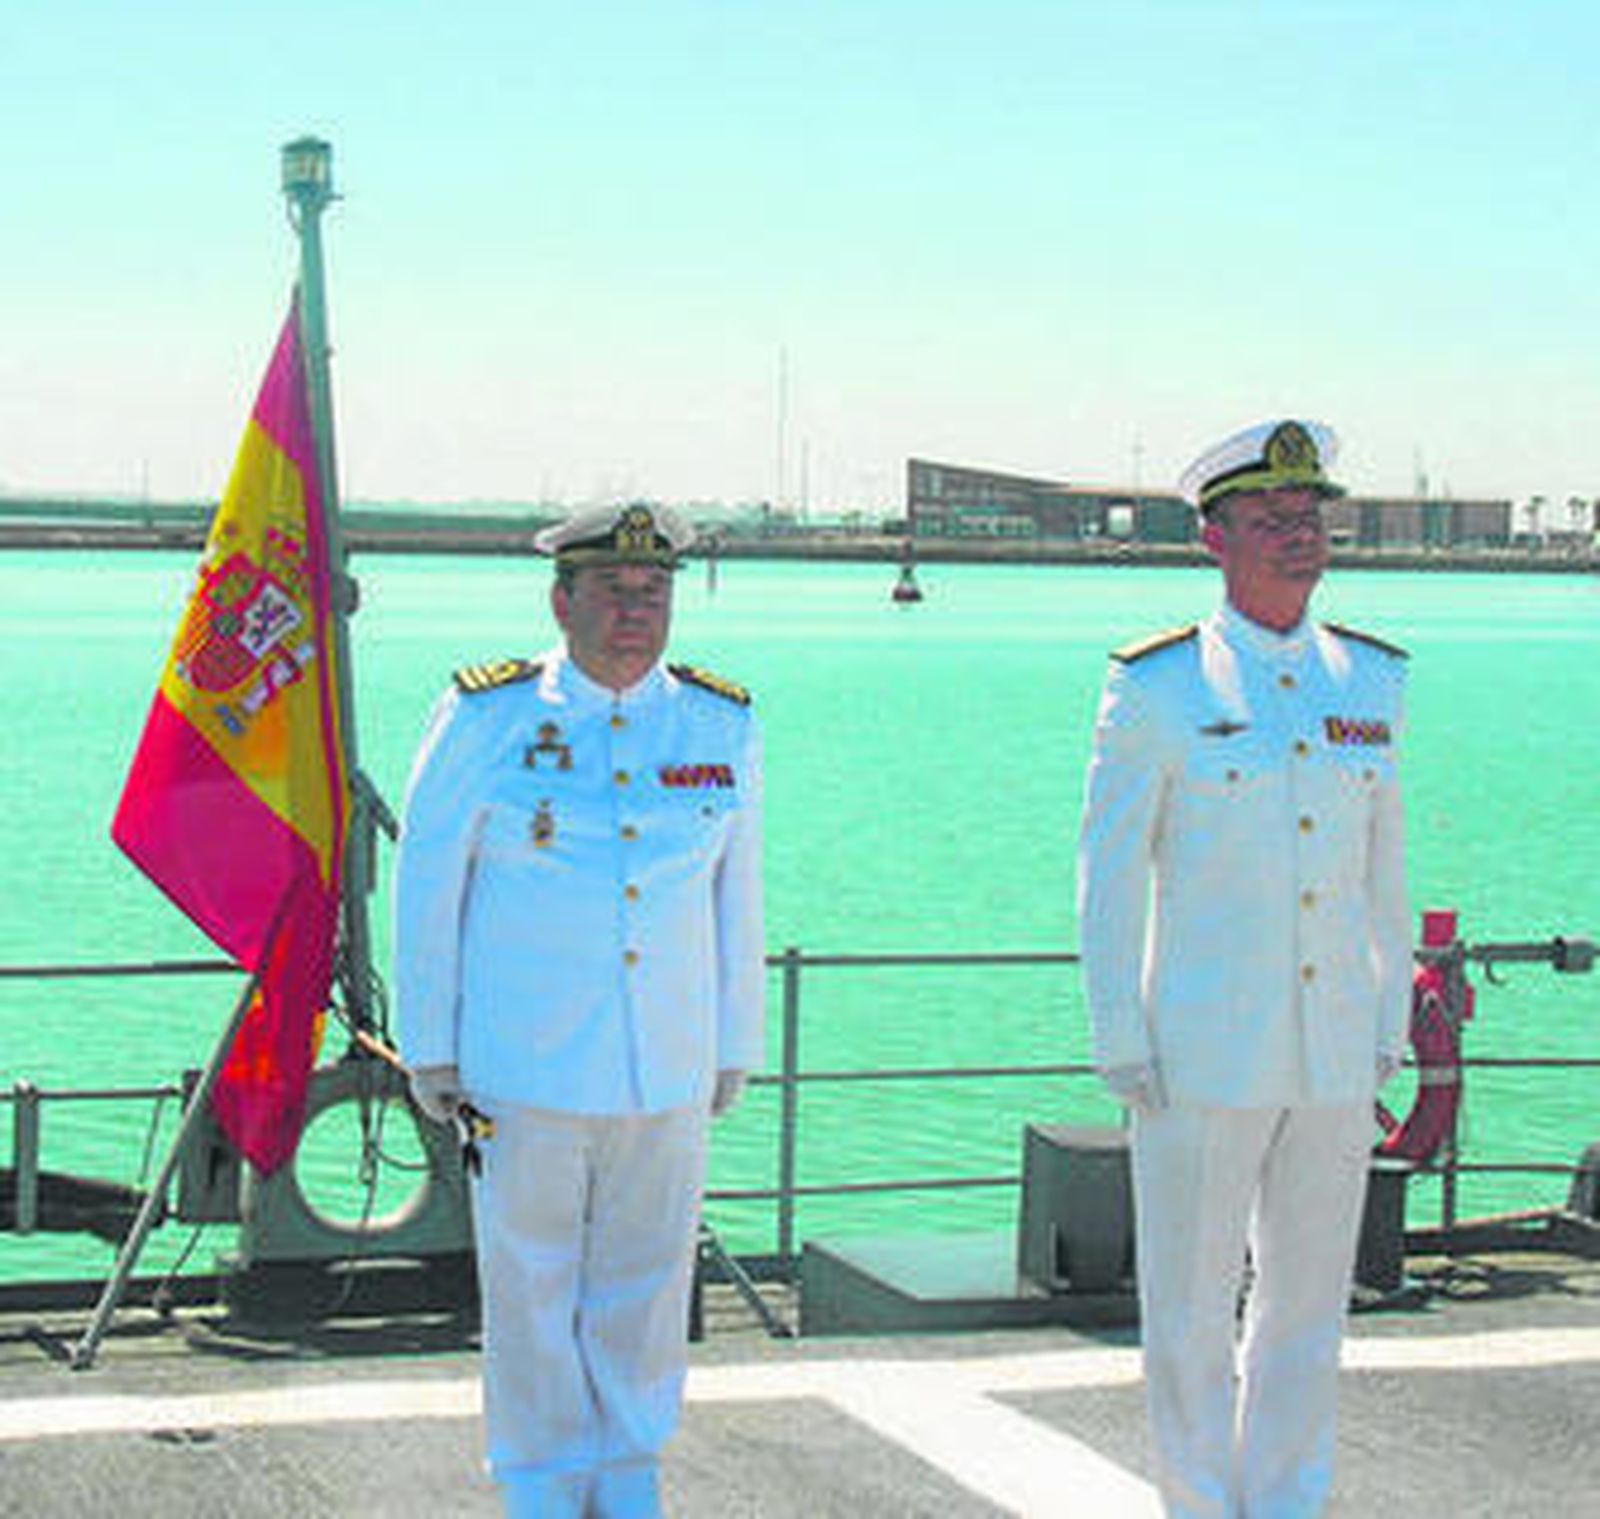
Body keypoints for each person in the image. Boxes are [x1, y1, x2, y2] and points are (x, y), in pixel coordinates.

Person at [392, 501, 765, 1518]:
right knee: (529, 1285)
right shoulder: (487, 715)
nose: (635, 612)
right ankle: (542, 1480)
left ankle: (628, 1468)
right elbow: (429, 884)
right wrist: (430, 1045)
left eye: (653, 593)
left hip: (666, 1062)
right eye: (611, 591)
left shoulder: (718, 721)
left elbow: (738, 897)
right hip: (524, 1064)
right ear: (562, 601)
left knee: (645, 1287)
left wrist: (735, 1040)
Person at [1076, 420, 1411, 1517]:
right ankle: (1196, 1501)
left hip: (1330, 1050)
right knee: (1188, 1307)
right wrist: (1117, 1030)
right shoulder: (1159, 685)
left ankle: (1283, 1499)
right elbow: (1111, 869)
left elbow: (1381, 869)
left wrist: (1385, 1014)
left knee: (1309, 1302)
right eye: (1268, 521)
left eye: (1308, 519)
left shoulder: (1368, 677)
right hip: (1201, 1049)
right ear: (1211, 540)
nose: (1295, 538)